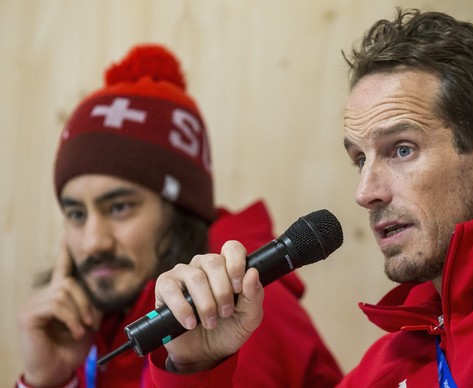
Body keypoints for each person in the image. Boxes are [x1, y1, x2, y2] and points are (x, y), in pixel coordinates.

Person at [147, 8, 473, 387]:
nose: (366, 193)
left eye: (402, 149)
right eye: (360, 159)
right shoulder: (386, 365)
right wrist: (196, 367)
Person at [16, 44, 342, 388]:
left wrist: (197, 368)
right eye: (76, 213)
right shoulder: (102, 315)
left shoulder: (242, 304)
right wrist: (48, 381)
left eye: (119, 207)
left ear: (180, 212)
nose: (94, 241)